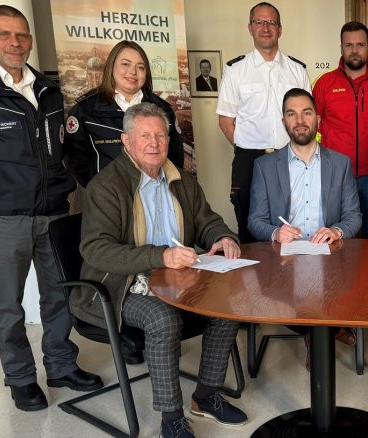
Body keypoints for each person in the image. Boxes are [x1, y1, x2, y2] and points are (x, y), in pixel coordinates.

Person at [0, 5, 102, 412]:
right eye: (4, 34)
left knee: (59, 295)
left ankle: (61, 364)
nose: (15, 43)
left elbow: (61, 149)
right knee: (9, 305)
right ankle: (21, 378)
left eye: (22, 35)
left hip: (54, 213)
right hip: (4, 220)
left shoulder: (47, 88)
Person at [72, 103, 247, 437]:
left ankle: (206, 395)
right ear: (126, 141)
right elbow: (96, 250)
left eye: (161, 135)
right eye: (144, 136)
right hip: (121, 285)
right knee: (161, 319)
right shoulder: (106, 186)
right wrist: (161, 256)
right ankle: (172, 418)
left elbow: (206, 220)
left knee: (226, 305)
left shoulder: (181, 179)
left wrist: (222, 237)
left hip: (176, 276)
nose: (154, 143)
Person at [217, 2, 311, 243]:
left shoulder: (297, 70)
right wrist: (246, 145)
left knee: (291, 223)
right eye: (259, 22)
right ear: (250, 28)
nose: (266, 28)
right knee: (249, 224)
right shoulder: (235, 70)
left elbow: (307, 116)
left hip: (289, 157)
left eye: (271, 22)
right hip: (249, 159)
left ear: (280, 29)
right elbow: (226, 120)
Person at [313, 21, 368, 238]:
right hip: (335, 175)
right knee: (335, 234)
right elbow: (313, 127)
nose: (354, 50)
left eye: (360, 45)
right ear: (341, 47)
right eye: (348, 45)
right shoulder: (324, 84)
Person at [247, 88, 361, 244]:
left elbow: (353, 216)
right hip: (284, 253)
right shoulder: (264, 166)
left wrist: (336, 231)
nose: (300, 121)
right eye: (291, 114)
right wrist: (276, 233)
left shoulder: (341, 164)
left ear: (318, 120)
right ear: (283, 122)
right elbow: (255, 221)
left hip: (328, 251)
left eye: (307, 113)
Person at [65, 40, 184, 187]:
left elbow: (175, 157)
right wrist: (99, 190)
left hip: (155, 194)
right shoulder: (85, 111)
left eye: (140, 67)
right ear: (112, 66)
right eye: (125, 64)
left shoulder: (163, 109)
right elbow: (76, 162)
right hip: (108, 196)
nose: (133, 72)